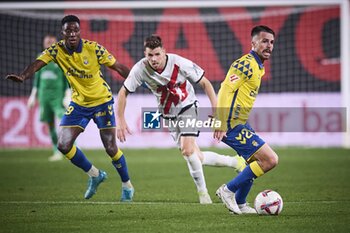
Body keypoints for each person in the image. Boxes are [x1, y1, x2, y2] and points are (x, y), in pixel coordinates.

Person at [5, 15, 134, 202]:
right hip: (79, 104)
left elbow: (119, 67)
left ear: (79, 31)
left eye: (75, 30)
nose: (72, 34)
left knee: (111, 147)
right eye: (68, 31)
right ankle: (95, 174)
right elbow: (38, 63)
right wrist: (23, 76)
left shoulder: (94, 48)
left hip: (102, 101)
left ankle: (127, 186)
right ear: (62, 33)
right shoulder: (56, 50)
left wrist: (137, 79)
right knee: (63, 145)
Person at [116, 35, 246, 204]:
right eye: (149, 55)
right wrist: (120, 120)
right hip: (168, 115)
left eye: (157, 54)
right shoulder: (140, 69)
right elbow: (123, 92)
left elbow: (206, 83)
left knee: (187, 150)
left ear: (164, 52)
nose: (153, 59)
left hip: (188, 107)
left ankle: (203, 195)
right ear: (145, 54)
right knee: (194, 156)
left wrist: (218, 114)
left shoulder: (179, 63)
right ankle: (235, 162)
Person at [214, 25, 279, 214]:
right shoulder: (245, 63)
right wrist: (220, 120)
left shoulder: (259, 67)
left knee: (254, 162)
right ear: (253, 43)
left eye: (272, 42)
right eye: (264, 41)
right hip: (230, 123)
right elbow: (226, 88)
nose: (269, 46)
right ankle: (228, 190)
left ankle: (241, 202)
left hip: (240, 122)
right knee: (270, 159)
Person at [27, 34, 71, 162]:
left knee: (65, 120)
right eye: (47, 42)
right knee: (50, 124)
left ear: (56, 43)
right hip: (44, 96)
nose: (49, 44)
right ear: (44, 44)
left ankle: (72, 147)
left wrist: (68, 93)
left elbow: (67, 78)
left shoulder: (61, 58)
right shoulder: (40, 58)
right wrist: (32, 95)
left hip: (58, 96)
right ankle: (56, 151)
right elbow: (37, 79)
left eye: (52, 42)